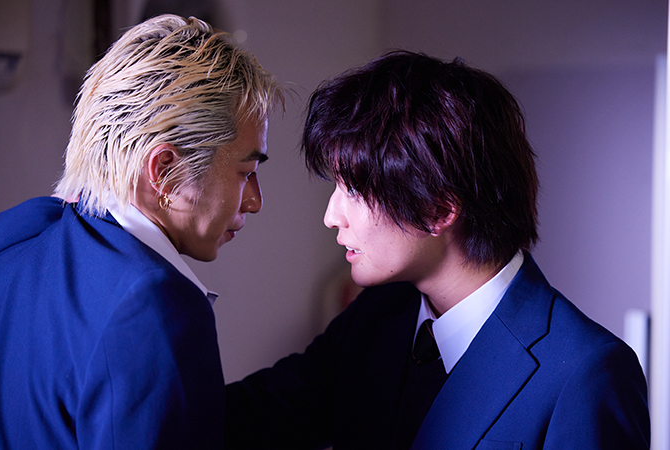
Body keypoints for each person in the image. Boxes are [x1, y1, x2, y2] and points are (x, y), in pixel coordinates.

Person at [224, 51, 650, 449]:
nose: (332, 216)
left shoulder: (588, 374)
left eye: (352, 189)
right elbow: (245, 417)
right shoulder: (377, 317)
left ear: (438, 209)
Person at [0, 14, 282, 449]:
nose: (255, 201)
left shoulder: (13, 234)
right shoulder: (156, 309)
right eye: (246, 171)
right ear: (164, 170)